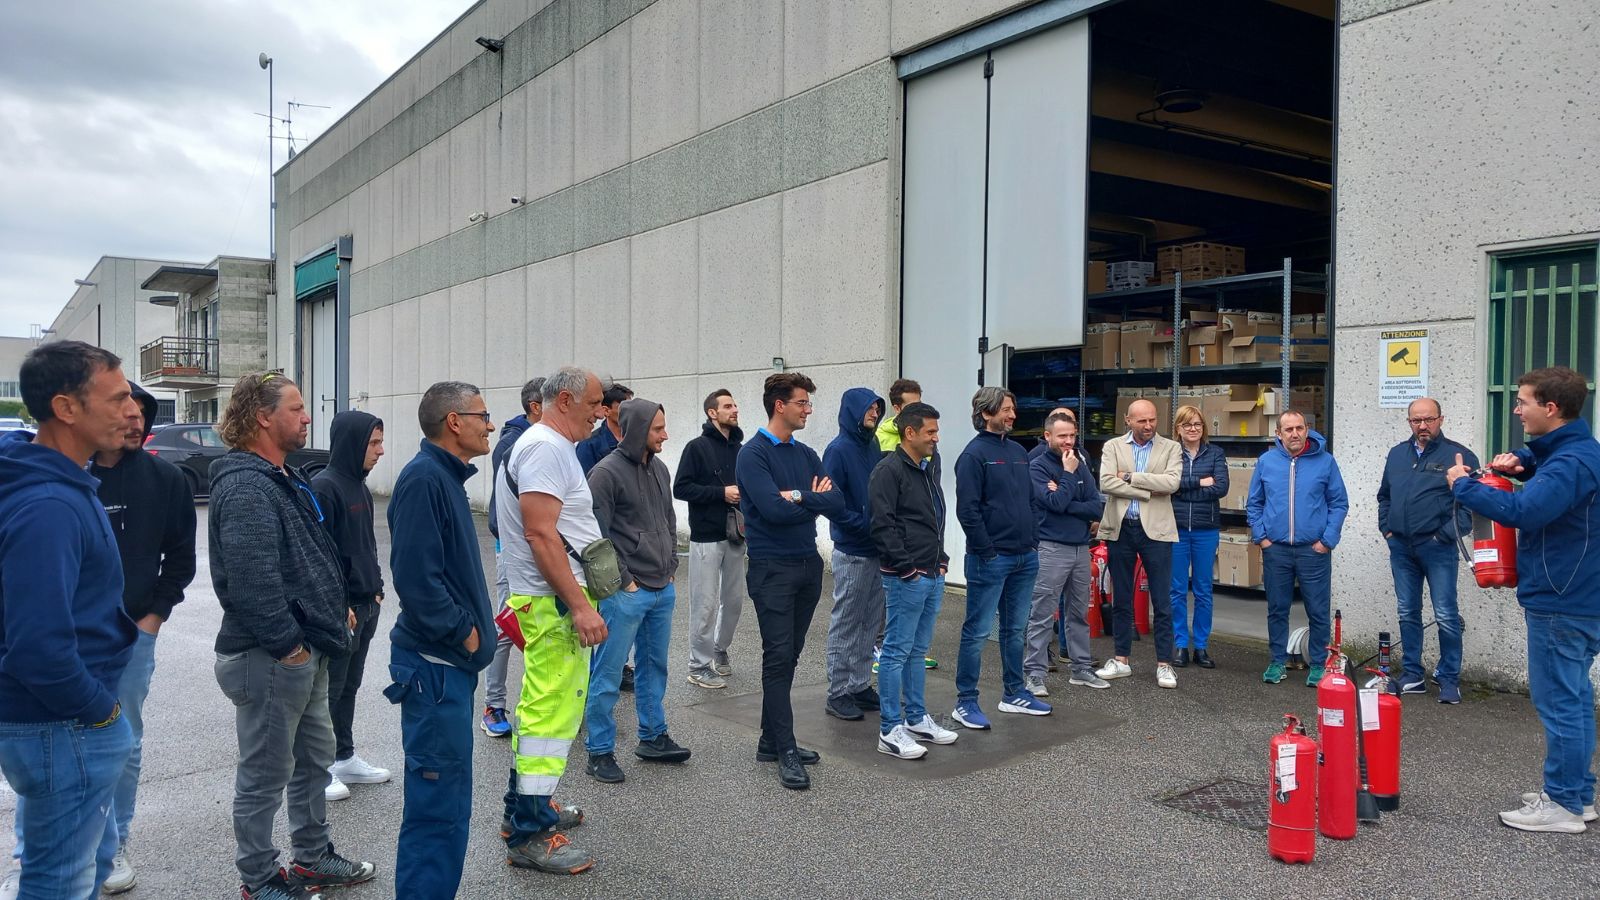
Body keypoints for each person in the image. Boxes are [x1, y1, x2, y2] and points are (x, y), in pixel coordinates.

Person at [209, 373, 375, 899]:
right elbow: (252, 583)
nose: (307, 418)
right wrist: (291, 649)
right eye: (296, 408)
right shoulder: (246, 486)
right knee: (264, 775)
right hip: (271, 657)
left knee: (314, 762)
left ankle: (312, 858)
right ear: (262, 416)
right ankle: (259, 880)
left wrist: (333, 610)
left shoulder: (285, 477)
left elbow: (308, 558)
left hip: (306, 650)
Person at [0, 342, 139, 898]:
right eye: (118, 398)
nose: (133, 410)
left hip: (60, 723)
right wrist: (103, 713)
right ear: (66, 408)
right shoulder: (49, 506)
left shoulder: (54, 484)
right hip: (63, 725)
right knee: (58, 883)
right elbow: (38, 647)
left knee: (80, 867)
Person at [1448, 367, 1600, 833]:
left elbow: (1524, 511)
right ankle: (1577, 795)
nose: (1516, 410)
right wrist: (1523, 461)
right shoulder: (1575, 452)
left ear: (1550, 408)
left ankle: (1562, 805)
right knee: (1574, 698)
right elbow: (1547, 471)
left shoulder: (1572, 463)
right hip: (1574, 595)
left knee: (1559, 702)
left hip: (1561, 600)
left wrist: (1463, 486)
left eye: (1523, 402)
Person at [384, 382, 499, 896]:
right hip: (435, 669)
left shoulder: (444, 478)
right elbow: (416, 581)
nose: (490, 425)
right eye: (482, 415)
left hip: (447, 668)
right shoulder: (424, 480)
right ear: (455, 422)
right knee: (436, 809)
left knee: (448, 802)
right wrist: (466, 634)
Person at [85, 382, 197, 894]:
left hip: (133, 633)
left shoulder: (164, 478)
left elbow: (181, 559)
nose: (136, 422)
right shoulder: (74, 475)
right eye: (125, 412)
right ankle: (67, 841)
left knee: (123, 740)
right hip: (69, 634)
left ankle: (114, 843)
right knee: (64, 739)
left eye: (143, 414)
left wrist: (152, 619)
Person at [497, 367, 608, 874]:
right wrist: (580, 605)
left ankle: (526, 808)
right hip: (553, 603)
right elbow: (541, 534)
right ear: (565, 400)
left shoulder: (549, 445)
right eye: (595, 403)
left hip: (549, 599)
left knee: (540, 710)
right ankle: (530, 833)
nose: (600, 413)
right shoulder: (544, 448)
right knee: (548, 717)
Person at [736, 372, 844, 789]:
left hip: (807, 565)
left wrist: (798, 496)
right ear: (779, 405)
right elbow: (772, 511)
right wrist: (812, 500)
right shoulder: (753, 455)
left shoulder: (806, 453)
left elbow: (836, 500)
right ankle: (785, 748)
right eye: (802, 402)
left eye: (808, 403)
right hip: (772, 569)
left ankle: (770, 740)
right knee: (778, 657)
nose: (808, 410)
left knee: (791, 655)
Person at [583, 398, 691, 783]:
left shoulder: (659, 468)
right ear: (638, 430)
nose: (665, 435)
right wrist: (625, 579)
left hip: (662, 586)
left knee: (654, 666)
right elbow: (596, 535)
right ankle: (599, 750)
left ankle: (653, 736)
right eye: (657, 429)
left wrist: (671, 567)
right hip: (626, 592)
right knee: (608, 673)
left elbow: (668, 520)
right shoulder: (605, 473)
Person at [953, 386, 1050, 729]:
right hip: (990, 560)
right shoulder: (973, 455)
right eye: (1006, 409)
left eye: (1012, 408)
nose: (1012, 415)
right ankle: (965, 701)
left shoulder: (1019, 451)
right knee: (977, 632)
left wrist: (1033, 541)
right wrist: (987, 550)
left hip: (1025, 556)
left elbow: (1031, 500)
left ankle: (1014, 693)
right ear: (986, 413)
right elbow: (967, 510)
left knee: (1015, 630)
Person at [868, 402, 959, 759]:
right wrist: (907, 569)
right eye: (930, 432)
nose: (936, 438)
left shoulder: (927, 467)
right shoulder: (888, 471)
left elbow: (931, 518)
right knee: (895, 652)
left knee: (917, 652)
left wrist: (941, 560)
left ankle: (917, 718)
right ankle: (890, 729)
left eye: (936, 431)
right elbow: (882, 525)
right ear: (910, 433)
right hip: (906, 577)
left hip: (931, 571)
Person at [312, 411, 390, 802]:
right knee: (329, 689)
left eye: (380, 442)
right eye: (373, 443)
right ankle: (318, 768)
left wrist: (376, 589)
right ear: (352, 444)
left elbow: (366, 546)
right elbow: (319, 555)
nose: (380, 450)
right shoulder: (324, 487)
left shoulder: (359, 486)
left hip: (366, 604)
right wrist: (339, 603)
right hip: (343, 610)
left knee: (349, 687)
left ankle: (343, 757)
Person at [1378, 397, 1477, 703]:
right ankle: (1412, 675)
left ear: (1440, 420)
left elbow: (1470, 507)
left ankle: (1449, 679)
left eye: (1429, 419)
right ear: (1409, 422)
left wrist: (1443, 536)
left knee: (1446, 614)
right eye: (1416, 420)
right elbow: (1384, 496)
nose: (1423, 426)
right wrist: (1387, 529)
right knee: (1407, 611)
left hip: (1438, 549)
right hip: (1401, 548)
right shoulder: (1397, 454)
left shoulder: (1458, 456)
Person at [1248, 409, 1348, 688]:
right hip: (1276, 549)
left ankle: (1318, 664)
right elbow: (1254, 503)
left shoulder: (1325, 462)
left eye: (1299, 428)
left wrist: (1327, 541)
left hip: (1312, 550)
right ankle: (1277, 661)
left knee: (1318, 610)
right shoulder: (1267, 462)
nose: (1295, 433)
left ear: (1307, 429)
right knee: (1277, 608)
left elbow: (1339, 503)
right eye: (1288, 429)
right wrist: (1262, 538)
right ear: (1278, 433)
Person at [1096, 398, 1183, 689]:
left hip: (1156, 531)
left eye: (1152, 420)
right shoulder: (1113, 446)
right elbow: (1106, 483)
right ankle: (1121, 659)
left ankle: (1164, 664)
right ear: (1128, 420)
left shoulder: (1171, 448)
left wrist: (1130, 477)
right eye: (1142, 420)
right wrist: (1146, 491)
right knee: (1121, 597)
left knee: (1162, 599)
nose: (1148, 425)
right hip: (1121, 528)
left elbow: (1171, 484)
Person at [1025, 411, 1106, 694]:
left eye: (1072, 435)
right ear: (1047, 436)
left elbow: (1095, 506)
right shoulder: (1037, 466)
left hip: (1081, 547)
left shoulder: (1079, 462)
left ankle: (1081, 668)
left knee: (1078, 612)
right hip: (1051, 547)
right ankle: (1034, 674)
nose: (1068, 441)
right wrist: (1068, 478)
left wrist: (1064, 495)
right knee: (1042, 613)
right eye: (1062, 436)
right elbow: (1055, 503)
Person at [483, 377, 544, 737]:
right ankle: (493, 705)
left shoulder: (550, 441)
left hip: (543, 549)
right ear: (536, 407)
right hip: (514, 550)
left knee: (544, 625)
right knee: (508, 625)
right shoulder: (512, 444)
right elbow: (502, 511)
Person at [822, 387, 888, 721]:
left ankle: (859, 685)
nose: (875, 414)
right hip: (852, 551)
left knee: (870, 622)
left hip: (876, 549)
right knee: (846, 622)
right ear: (853, 411)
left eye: (877, 409)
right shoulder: (838, 450)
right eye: (870, 409)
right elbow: (830, 503)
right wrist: (862, 524)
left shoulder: (872, 445)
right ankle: (837, 692)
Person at [673, 389, 745, 689]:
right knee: (704, 604)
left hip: (736, 535)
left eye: (735, 405)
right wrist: (721, 493)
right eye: (727, 406)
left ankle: (719, 648)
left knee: (734, 601)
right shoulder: (696, 448)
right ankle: (698, 666)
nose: (734, 409)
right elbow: (681, 488)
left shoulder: (741, 449)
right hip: (705, 537)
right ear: (712, 413)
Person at [1170, 405, 1228, 670]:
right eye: (1187, 424)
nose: (1193, 429)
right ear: (1178, 428)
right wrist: (1198, 482)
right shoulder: (1170, 453)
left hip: (1206, 529)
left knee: (1204, 590)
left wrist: (1184, 487)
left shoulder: (1215, 453)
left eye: (1197, 424)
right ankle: (1181, 644)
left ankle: (1201, 646)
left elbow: (1221, 487)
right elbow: (1169, 485)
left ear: (1203, 428)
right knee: (1177, 590)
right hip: (1177, 528)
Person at [575, 381, 633, 475]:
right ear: (606, 411)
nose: (631, 412)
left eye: (632, 407)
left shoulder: (635, 440)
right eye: (625, 408)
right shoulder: (589, 445)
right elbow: (585, 479)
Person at [875, 378, 922, 453]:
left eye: (919, 405)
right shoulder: (879, 438)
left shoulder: (925, 432)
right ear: (897, 409)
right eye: (911, 406)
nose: (917, 410)